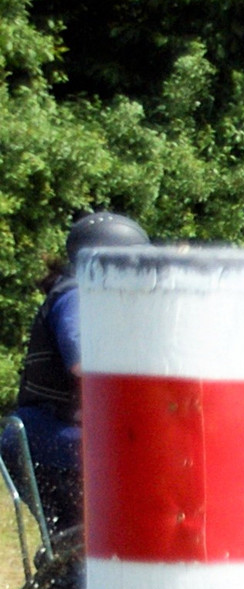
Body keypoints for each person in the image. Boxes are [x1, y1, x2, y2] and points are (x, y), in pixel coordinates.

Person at [3, 212, 152, 534]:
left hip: (57, 439)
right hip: (52, 439)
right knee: (96, 542)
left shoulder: (89, 298)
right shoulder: (77, 297)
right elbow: (83, 361)